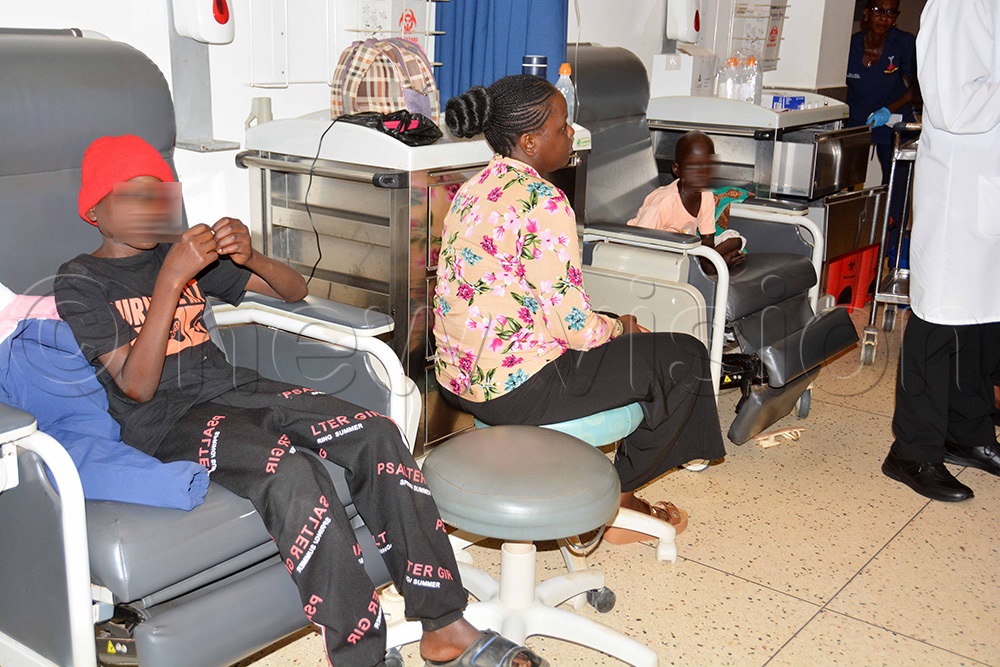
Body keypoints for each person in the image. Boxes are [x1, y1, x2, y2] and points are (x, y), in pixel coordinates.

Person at [53, 134, 545, 667]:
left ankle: (444, 623)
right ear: (94, 211)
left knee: (375, 430)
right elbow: (135, 386)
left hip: (235, 389)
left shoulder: (183, 258)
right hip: (167, 421)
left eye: (160, 194)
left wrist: (253, 255)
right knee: (289, 472)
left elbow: (292, 291)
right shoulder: (81, 280)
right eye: (132, 195)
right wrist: (171, 280)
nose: (150, 207)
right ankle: (359, 655)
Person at [433, 76, 727, 542]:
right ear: (530, 142)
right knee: (684, 356)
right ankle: (619, 501)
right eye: (563, 125)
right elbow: (576, 329)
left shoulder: (473, 188)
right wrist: (621, 328)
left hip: (458, 382)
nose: (572, 133)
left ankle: (610, 493)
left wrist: (609, 325)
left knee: (618, 328)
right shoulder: (543, 199)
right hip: (519, 390)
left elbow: (529, 300)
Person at [881, 0, 1000, 502]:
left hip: (986, 186)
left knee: (980, 320)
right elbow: (954, 108)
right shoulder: (958, 5)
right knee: (940, 318)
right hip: (959, 191)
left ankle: (967, 433)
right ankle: (913, 450)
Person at [846, 0, 919, 254]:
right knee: (845, 185)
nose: (883, 18)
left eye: (891, 13)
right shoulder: (851, 44)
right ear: (866, 14)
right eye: (878, 11)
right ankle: (848, 247)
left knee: (896, 188)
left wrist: (890, 108)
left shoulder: (903, 42)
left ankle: (891, 252)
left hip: (893, 120)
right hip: (857, 121)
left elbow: (916, 87)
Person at [627, 130, 746, 272]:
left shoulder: (706, 195)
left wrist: (706, 256)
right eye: (694, 166)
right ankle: (710, 266)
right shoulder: (663, 201)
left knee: (736, 238)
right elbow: (638, 241)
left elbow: (707, 239)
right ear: (677, 169)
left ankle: (707, 264)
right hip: (659, 249)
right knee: (671, 255)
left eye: (708, 165)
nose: (703, 173)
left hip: (691, 247)